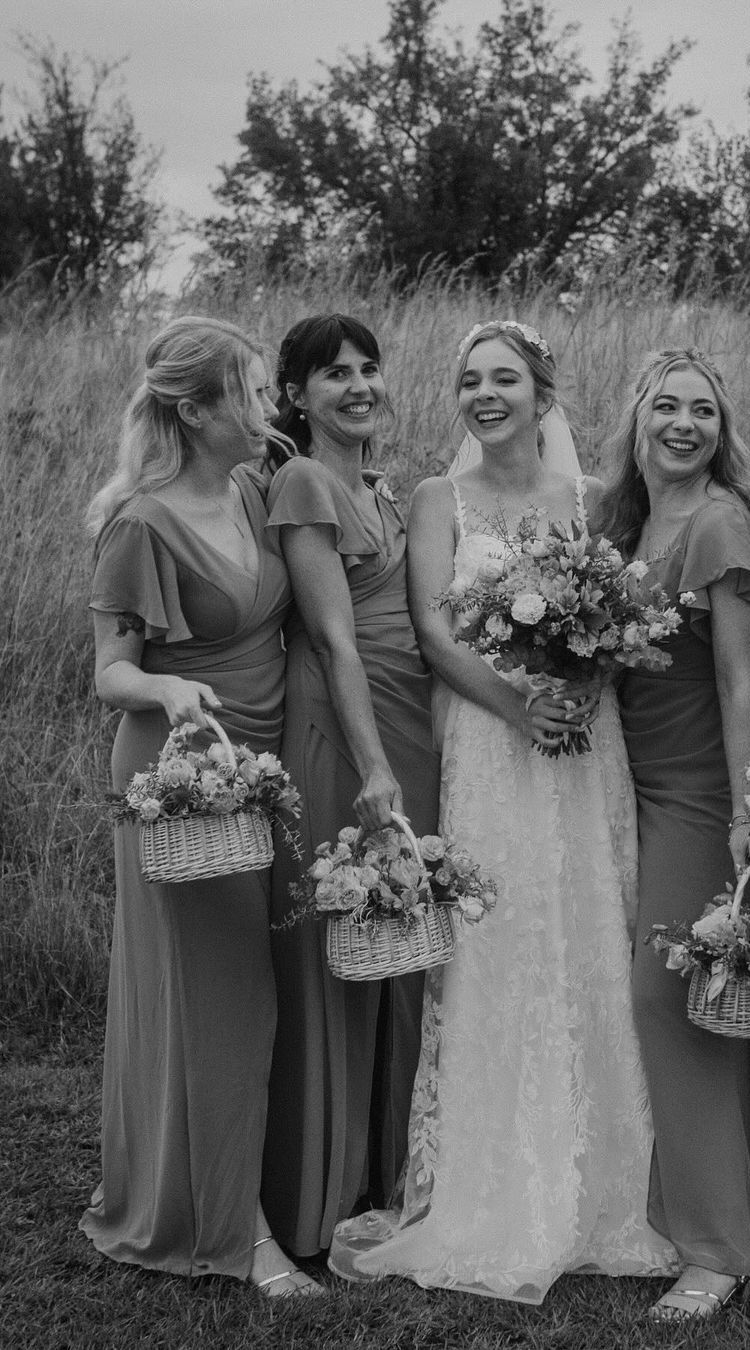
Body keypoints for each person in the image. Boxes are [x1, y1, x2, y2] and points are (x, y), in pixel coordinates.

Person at [329, 319, 677, 1302]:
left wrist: (579, 682)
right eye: (470, 381)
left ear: (543, 393)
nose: (486, 395)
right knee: (504, 934)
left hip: (580, 737)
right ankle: (494, 1185)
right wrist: (518, 704)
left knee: (591, 926)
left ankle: (608, 1181)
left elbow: (625, 612)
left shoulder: (595, 498)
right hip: (489, 740)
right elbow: (436, 628)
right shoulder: (439, 497)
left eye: (505, 380)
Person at [80, 316, 320, 1296]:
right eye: (254, 392)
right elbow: (109, 672)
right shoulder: (141, 522)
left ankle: (221, 1193)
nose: (269, 408)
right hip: (183, 774)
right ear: (196, 408)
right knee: (226, 1002)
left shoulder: (257, 491)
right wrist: (169, 691)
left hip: (262, 764)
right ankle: (237, 1237)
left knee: (247, 994)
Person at [598, 348, 750, 1322]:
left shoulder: (718, 521)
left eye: (703, 412)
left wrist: (748, 813)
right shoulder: (622, 520)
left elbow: (735, 683)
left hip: (697, 789)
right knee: (660, 992)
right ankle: (703, 1209)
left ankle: (721, 1248)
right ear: (637, 417)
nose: (683, 424)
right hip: (621, 784)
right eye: (666, 406)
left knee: (669, 994)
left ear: (722, 429)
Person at [260, 313, 440, 1258]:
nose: (359, 385)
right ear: (296, 395)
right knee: (340, 943)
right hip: (344, 727)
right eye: (335, 374)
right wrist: (373, 767)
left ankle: (387, 1173)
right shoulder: (304, 481)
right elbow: (332, 638)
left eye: (370, 368)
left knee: (403, 938)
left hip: (407, 718)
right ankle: (315, 1191)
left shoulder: (383, 486)